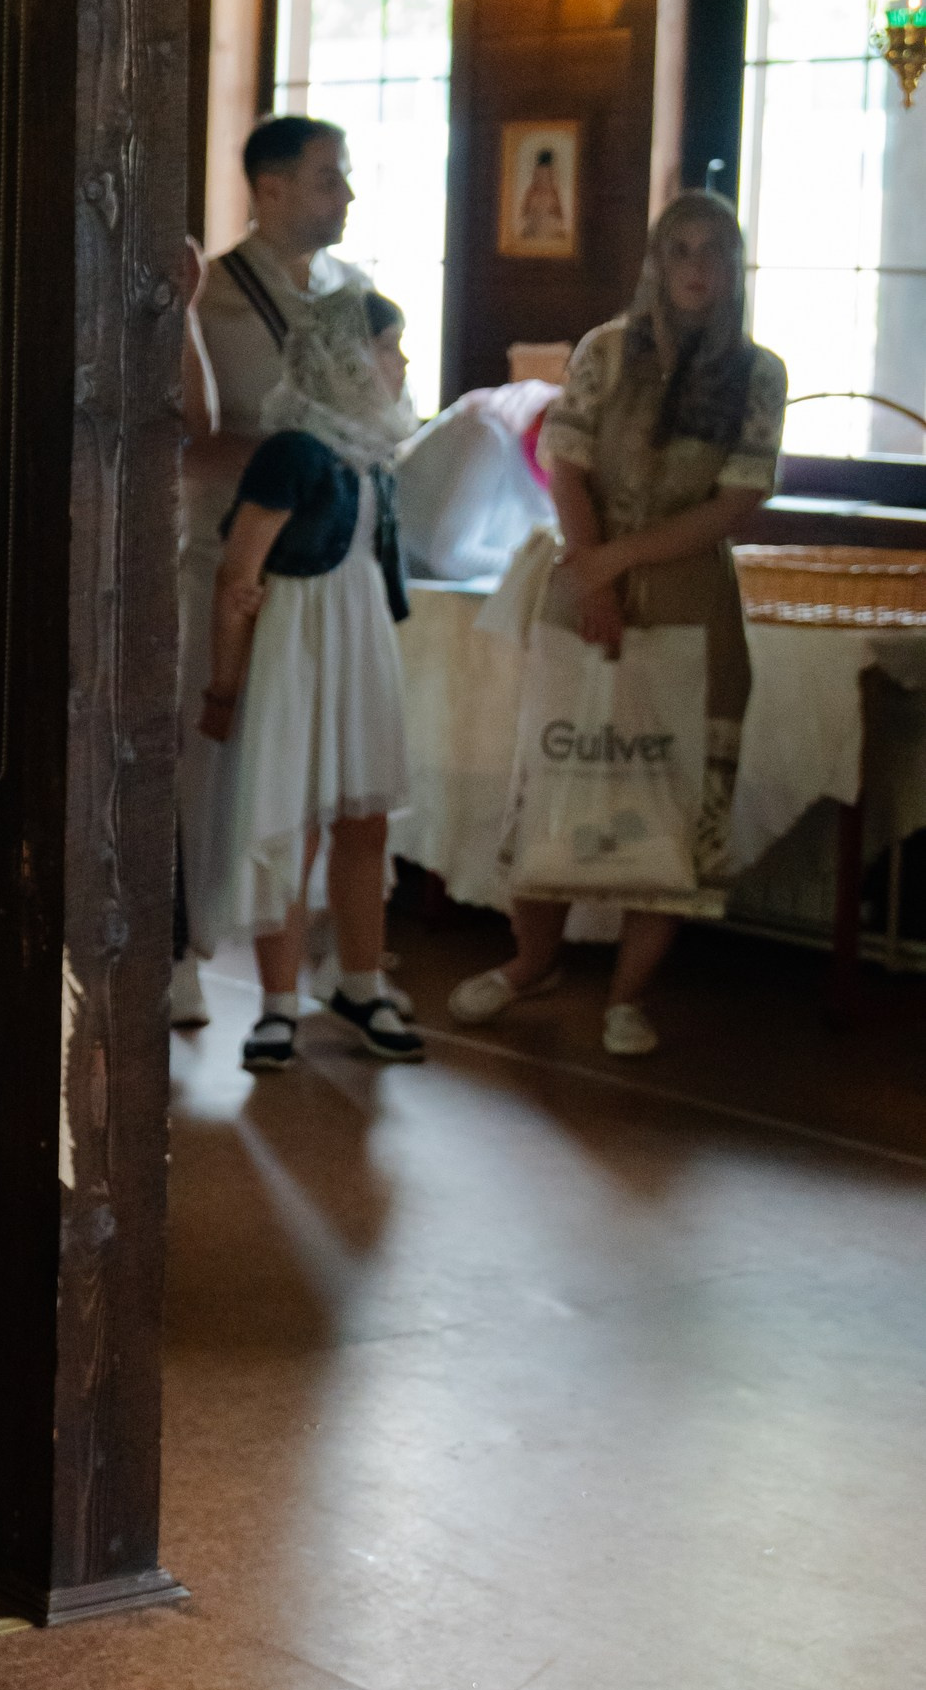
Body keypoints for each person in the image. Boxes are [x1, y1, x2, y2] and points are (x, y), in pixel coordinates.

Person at [449, 191, 785, 1060]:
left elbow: (739, 498)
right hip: (585, 579)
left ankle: (629, 997)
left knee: (669, 798)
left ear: (734, 267)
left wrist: (618, 563)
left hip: (688, 597)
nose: (696, 267)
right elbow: (569, 465)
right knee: (560, 775)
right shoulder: (603, 351)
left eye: (714, 251)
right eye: (680, 249)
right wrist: (592, 570)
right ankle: (532, 961)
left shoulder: (758, 372)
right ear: (656, 261)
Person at [177, 112, 373, 1015]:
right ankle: (181, 947)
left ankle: (321, 966)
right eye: (329, 177)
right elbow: (185, 437)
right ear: (270, 190)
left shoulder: (354, 296)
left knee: (313, 765)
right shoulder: (210, 296)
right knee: (208, 754)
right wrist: (286, 456)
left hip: (325, 573)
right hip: (228, 557)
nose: (346, 195)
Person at [198, 293, 422, 1073]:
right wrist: (224, 686)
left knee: (365, 823)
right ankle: (278, 1003)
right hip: (297, 645)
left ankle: (362, 982)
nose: (400, 364)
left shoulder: (374, 450)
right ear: (348, 359)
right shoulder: (293, 451)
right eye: (390, 349)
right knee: (289, 822)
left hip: (359, 644)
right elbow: (238, 573)